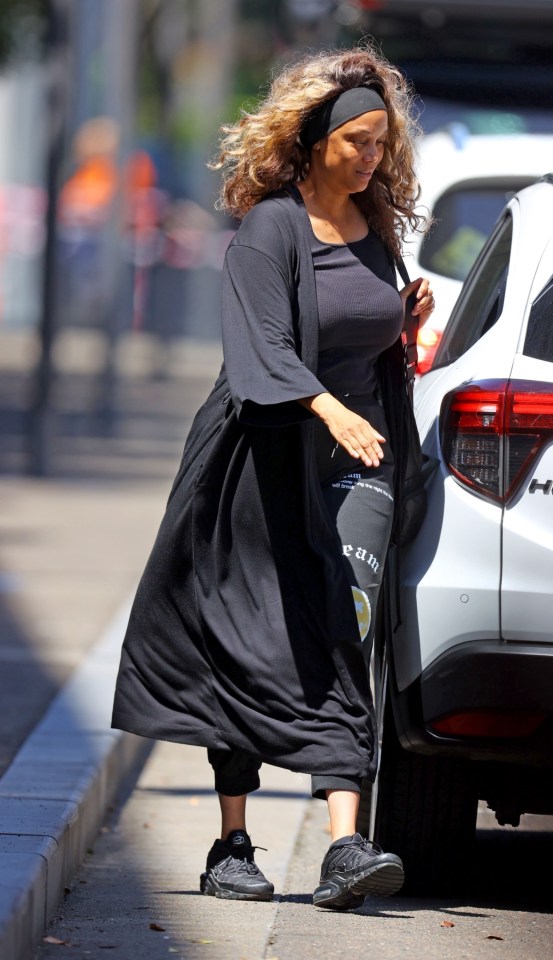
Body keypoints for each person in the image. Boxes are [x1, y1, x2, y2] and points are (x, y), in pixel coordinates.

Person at [111, 42, 435, 911]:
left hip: (355, 466)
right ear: (315, 139)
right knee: (247, 638)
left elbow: (365, 345)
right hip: (257, 461)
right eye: (357, 142)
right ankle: (231, 842)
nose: (371, 157)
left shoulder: (380, 230)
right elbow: (263, 347)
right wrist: (327, 408)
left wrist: (399, 326)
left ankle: (345, 845)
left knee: (343, 627)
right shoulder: (272, 228)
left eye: (381, 144)